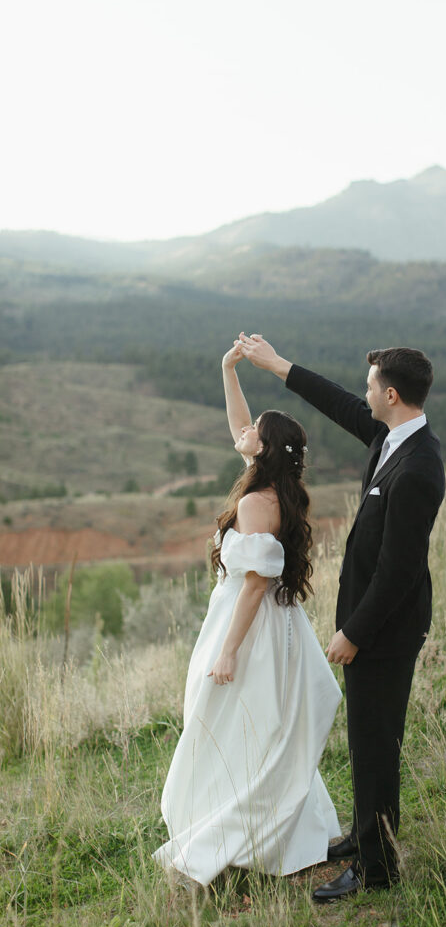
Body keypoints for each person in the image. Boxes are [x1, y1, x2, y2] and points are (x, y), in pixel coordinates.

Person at [237, 333, 445, 901]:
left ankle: (377, 870)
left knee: (376, 743)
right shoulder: (391, 435)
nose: (365, 393)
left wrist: (354, 632)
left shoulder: (419, 468)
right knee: (366, 739)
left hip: (384, 630)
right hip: (373, 625)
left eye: (372, 385)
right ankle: (365, 834)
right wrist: (278, 366)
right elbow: (337, 402)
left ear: (393, 394)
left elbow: (400, 570)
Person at [153, 342, 341, 886]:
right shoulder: (269, 484)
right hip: (253, 619)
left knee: (232, 719)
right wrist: (228, 369)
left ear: (267, 447)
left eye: (257, 428)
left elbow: (256, 585)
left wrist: (230, 649)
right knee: (242, 723)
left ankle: (229, 832)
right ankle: (253, 818)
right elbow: (238, 421)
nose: (246, 430)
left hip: (249, 626)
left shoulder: (259, 502)